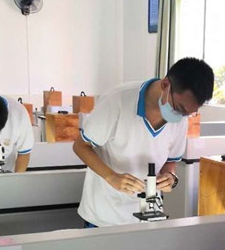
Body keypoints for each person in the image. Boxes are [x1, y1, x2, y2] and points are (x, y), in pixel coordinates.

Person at [74, 57, 214, 227]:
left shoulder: (180, 118)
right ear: (165, 85)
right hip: (105, 214)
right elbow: (80, 146)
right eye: (179, 108)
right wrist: (112, 177)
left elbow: (170, 162)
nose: (181, 116)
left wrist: (170, 177)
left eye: (188, 113)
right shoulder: (117, 101)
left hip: (149, 214)